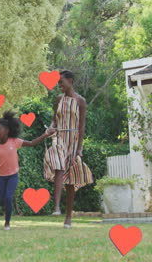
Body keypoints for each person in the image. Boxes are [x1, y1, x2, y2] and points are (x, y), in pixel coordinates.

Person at [0, 111, 56, 230]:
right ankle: (7, 210)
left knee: (8, 197)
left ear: (7, 131)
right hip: (1, 177)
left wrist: (46, 134)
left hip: (12, 176)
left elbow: (32, 143)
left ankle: (7, 223)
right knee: (1, 200)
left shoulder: (15, 142)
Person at [44, 70, 93, 228]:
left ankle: (68, 218)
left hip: (73, 140)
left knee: (71, 181)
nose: (59, 85)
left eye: (61, 82)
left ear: (70, 81)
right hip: (59, 138)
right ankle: (56, 206)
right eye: (58, 83)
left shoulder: (81, 101)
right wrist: (51, 128)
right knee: (58, 165)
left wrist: (79, 149)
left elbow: (82, 126)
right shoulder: (59, 99)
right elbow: (54, 121)